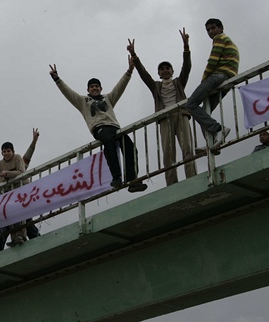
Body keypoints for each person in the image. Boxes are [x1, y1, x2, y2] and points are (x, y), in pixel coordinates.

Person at [48, 58, 148, 192]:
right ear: (88, 89)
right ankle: (116, 177)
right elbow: (69, 93)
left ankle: (132, 180)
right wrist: (57, 79)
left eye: (97, 86)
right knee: (108, 143)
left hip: (115, 127)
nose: (94, 88)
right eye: (92, 86)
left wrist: (129, 71)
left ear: (101, 88)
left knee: (130, 147)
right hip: (100, 128)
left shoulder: (108, 98)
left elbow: (120, 87)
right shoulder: (83, 101)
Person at [127, 29, 197, 186]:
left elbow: (187, 67)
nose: (165, 70)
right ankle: (172, 184)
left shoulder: (178, 82)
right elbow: (144, 74)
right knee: (168, 153)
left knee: (187, 149)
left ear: (172, 71)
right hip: (165, 118)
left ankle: (192, 178)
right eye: (162, 69)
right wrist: (134, 55)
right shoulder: (156, 86)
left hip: (181, 114)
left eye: (168, 68)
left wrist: (186, 47)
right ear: (159, 73)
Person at [186, 18, 239, 152]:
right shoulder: (227, 40)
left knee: (191, 104)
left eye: (213, 28)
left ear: (221, 28)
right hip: (228, 79)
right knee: (203, 113)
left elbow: (213, 61)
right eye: (208, 30)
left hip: (219, 76)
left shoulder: (220, 38)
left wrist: (204, 81)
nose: (211, 31)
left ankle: (219, 129)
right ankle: (213, 144)